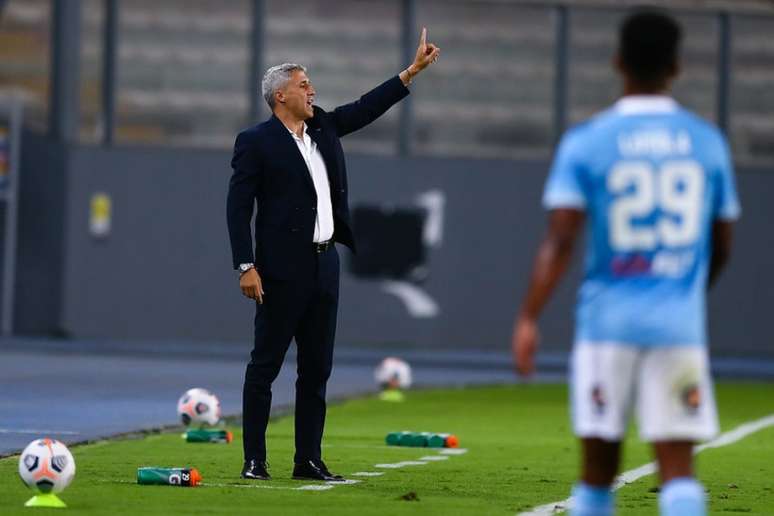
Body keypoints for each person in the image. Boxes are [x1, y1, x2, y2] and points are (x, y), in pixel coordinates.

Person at [511, 9, 739, 516]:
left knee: (597, 473)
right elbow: (722, 244)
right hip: (677, 327)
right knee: (678, 469)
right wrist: (686, 294)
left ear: (618, 62)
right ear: (677, 66)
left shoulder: (588, 141)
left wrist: (528, 317)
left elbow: (560, 241)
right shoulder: (707, 142)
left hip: (606, 326)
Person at [227, 29, 440, 482]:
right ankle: (254, 461)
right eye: (304, 85)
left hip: (326, 264)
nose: (313, 91)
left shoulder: (322, 127)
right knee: (265, 365)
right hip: (280, 268)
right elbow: (237, 206)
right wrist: (246, 264)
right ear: (280, 95)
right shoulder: (256, 141)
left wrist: (410, 72)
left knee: (316, 369)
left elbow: (364, 108)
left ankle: (307, 459)